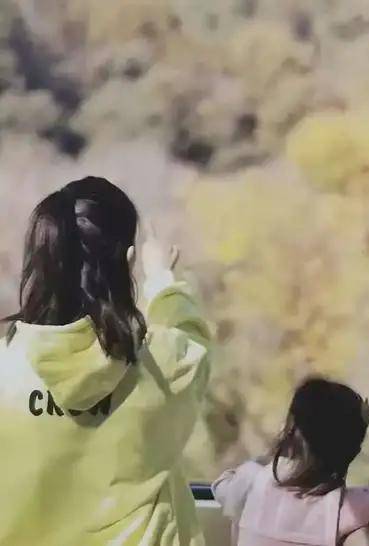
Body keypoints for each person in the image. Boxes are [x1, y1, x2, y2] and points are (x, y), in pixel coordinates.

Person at [0, 177, 212, 546]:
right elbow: (193, 341)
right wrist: (162, 281)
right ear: (128, 260)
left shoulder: (6, 369)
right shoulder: (162, 363)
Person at [212, 377, 369, 546]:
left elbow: (220, 486)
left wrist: (271, 455)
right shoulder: (351, 506)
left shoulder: (251, 481)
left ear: (289, 430)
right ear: (353, 450)